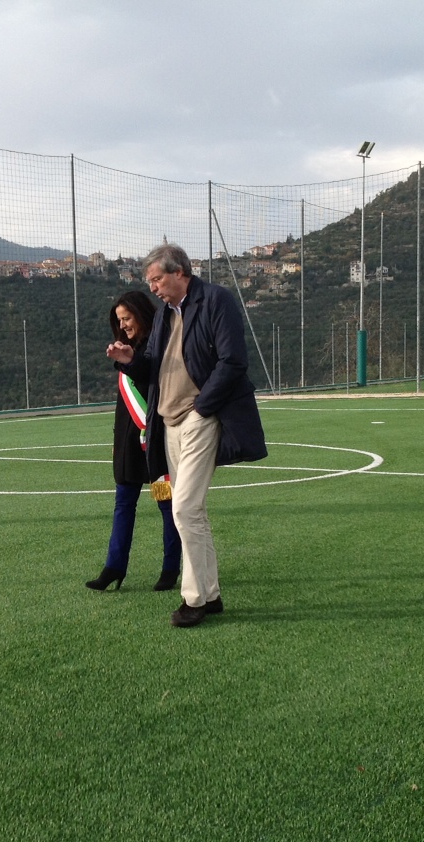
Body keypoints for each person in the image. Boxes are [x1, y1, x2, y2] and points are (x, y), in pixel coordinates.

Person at [106, 243, 267, 628]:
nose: (153, 288)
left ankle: (193, 599)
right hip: (168, 422)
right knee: (193, 511)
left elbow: (233, 361)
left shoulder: (215, 301)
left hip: (199, 418)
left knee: (183, 508)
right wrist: (130, 361)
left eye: (156, 279)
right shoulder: (165, 314)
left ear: (179, 272)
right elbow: (152, 366)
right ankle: (210, 595)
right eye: (150, 282)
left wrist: (202, 406)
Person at [86, 291, 182, 593]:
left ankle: (170, 568)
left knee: (166, 505)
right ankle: (113, 568)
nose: (123, 325)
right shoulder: (124, 349)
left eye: (127, 318)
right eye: (119, 320)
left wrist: (130, 361)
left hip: (154, 444)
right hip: (128, 446)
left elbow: (151, 376)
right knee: (123, 504)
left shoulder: (161, 343)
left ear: (141, 314)